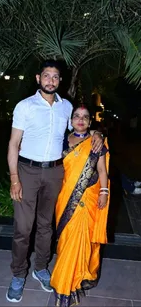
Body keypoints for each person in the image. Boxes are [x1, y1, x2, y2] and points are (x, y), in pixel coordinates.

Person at [6, 59, 103, 303]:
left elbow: (80, 126)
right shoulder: (25, 106)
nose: (51, 80)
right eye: (46, 76)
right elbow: (13, 144)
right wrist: (15, 179)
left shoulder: (65, 107)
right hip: (27, 170)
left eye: (55, 77)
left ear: (60, 81)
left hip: (55, 173)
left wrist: (98, 132)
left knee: (46, 225)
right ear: (38, 79)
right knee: (23, 227)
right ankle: (18, 275)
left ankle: (40, 267)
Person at [50, 104, 110, 307]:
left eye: (85, 117)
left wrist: (104, 192)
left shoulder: (95, 142)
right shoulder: (61, 141)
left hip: (89, 199)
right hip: (64, 197)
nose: (81, 120)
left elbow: (102, 171)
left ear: (90, 121)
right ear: (70, 119)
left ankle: (68, 283)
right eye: (77, 116)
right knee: (66, 239)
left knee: (82, 239)